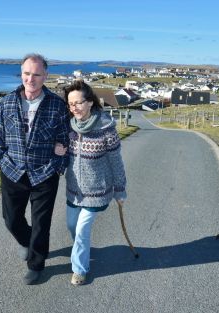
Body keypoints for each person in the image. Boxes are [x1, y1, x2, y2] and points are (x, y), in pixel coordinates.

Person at [0, 53, 70, 285]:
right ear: (21, 73)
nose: (31, 79)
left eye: (37, 74)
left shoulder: (57, 105)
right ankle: (26, 241)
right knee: (11, 219)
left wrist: (58, 164)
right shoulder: (6, 103)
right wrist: (1, 160)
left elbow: (65, 138)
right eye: (27, 73)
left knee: (41, 223)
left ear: (45, 75)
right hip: (12, 170)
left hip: (44, 173)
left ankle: (36, 264)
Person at [61, 79, 127, 286]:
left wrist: (120, 189)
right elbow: (61, 151)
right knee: (72, 226)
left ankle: (80, 269)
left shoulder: (106, 128)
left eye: (78, 103)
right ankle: (82, 247)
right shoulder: (68, 126)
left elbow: (116, 161)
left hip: (97, 192)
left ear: (90, 102)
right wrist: (58, 150)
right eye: (71, 104)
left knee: (81, 230)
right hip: (73, 191)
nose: (74, 108)